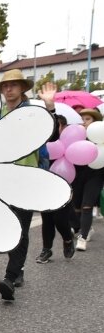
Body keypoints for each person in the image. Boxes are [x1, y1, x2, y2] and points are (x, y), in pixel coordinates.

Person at [0, 70, 58, 302]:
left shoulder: (33, 111)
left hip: (26, 178)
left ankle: (10, 278)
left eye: (13, 85)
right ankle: (18, 270)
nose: (8, 89)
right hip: (0, 178)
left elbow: (52, 137)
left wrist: (50, 108)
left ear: (22, 88)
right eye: (5, 85)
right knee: (8, 226)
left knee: (20, 227)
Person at [36, 114, 76, 263]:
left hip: (64, 183)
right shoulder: (41, 141)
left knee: (60, 219)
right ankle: (46, 250)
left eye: (56, 125)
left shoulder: (69, 142)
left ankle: (67, 239)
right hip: (45, 184)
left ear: (63, 127)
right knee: (46, 218)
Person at [71, 107, 104, 251]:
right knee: (77, 208)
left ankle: (82, 238)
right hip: (78, 175)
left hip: (95, 175)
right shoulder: (76, 136)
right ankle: (86, 229)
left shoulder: (100, 136)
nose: (84, 122)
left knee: (87, 206)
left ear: (95, 121)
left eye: (88, 119)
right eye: (82, 119)